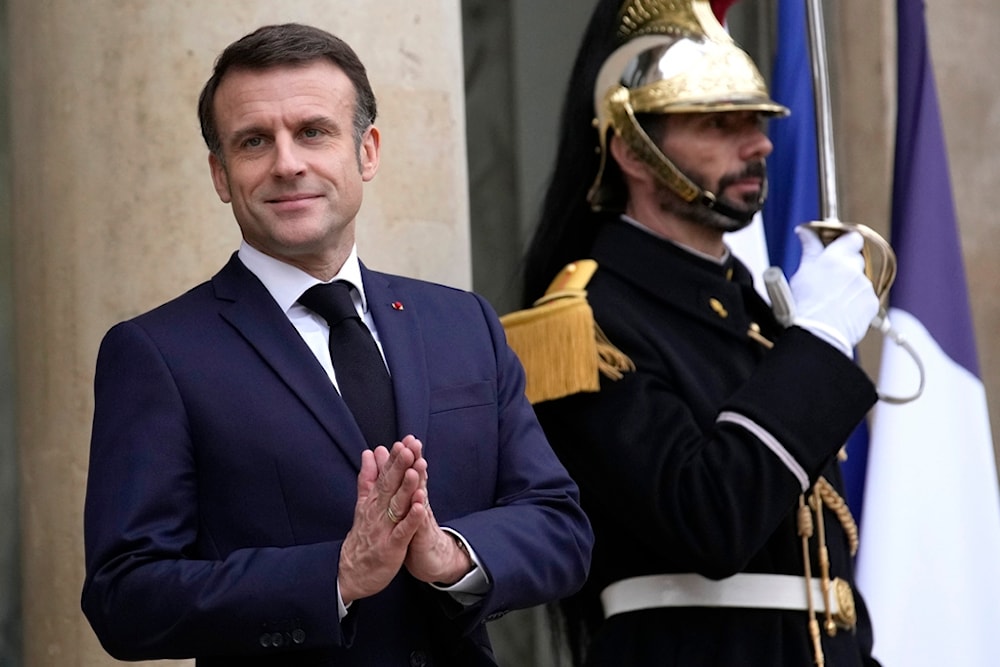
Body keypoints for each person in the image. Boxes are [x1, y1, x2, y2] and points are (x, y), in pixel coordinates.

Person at [81, 23, 592, 667]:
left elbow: (560, 527)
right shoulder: (158, 353)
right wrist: (338, 576)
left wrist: (452, 553)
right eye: (254, 141)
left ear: (367, 151)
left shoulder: (463, 323)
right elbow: (124, 599)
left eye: (314, 131)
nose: (287, 163)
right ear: (220, 173)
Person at [518, 0, 882, 665]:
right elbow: (708, 521)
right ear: (630, 147)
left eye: (758, 121)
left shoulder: (751, 311)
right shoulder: (586, 320)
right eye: (719, 123)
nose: (760, 144)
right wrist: (820, 342)